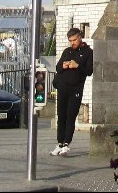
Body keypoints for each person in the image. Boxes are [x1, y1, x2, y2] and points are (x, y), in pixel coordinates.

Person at [51, 27, 93, 156]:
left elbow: (89, 71)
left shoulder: (88, 52)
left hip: (75, 89)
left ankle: (66, 144)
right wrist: (63, 66)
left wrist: (77, 66)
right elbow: (58, 67)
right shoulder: (67, 51)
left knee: (71, 116)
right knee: (61, 116)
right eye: (70, 40)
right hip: (63, 87)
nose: (72, 43)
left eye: (74, 40)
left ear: (80, 37)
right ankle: (59, 143)